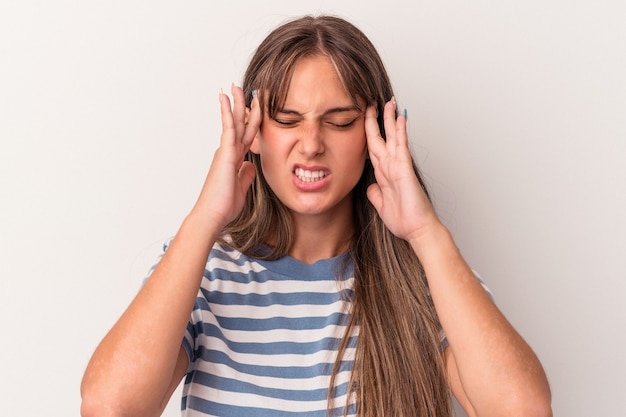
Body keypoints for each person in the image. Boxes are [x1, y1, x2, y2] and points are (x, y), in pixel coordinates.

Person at [80, 14, 552, 417]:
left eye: (340, 120)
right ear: (254, 130)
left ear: (374, 133)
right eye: (287, 119)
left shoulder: (425, 278)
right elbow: (109, 407)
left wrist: (426, 234)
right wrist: (207, 216)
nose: (310, 144)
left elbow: (523, 409)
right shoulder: (205, 272)